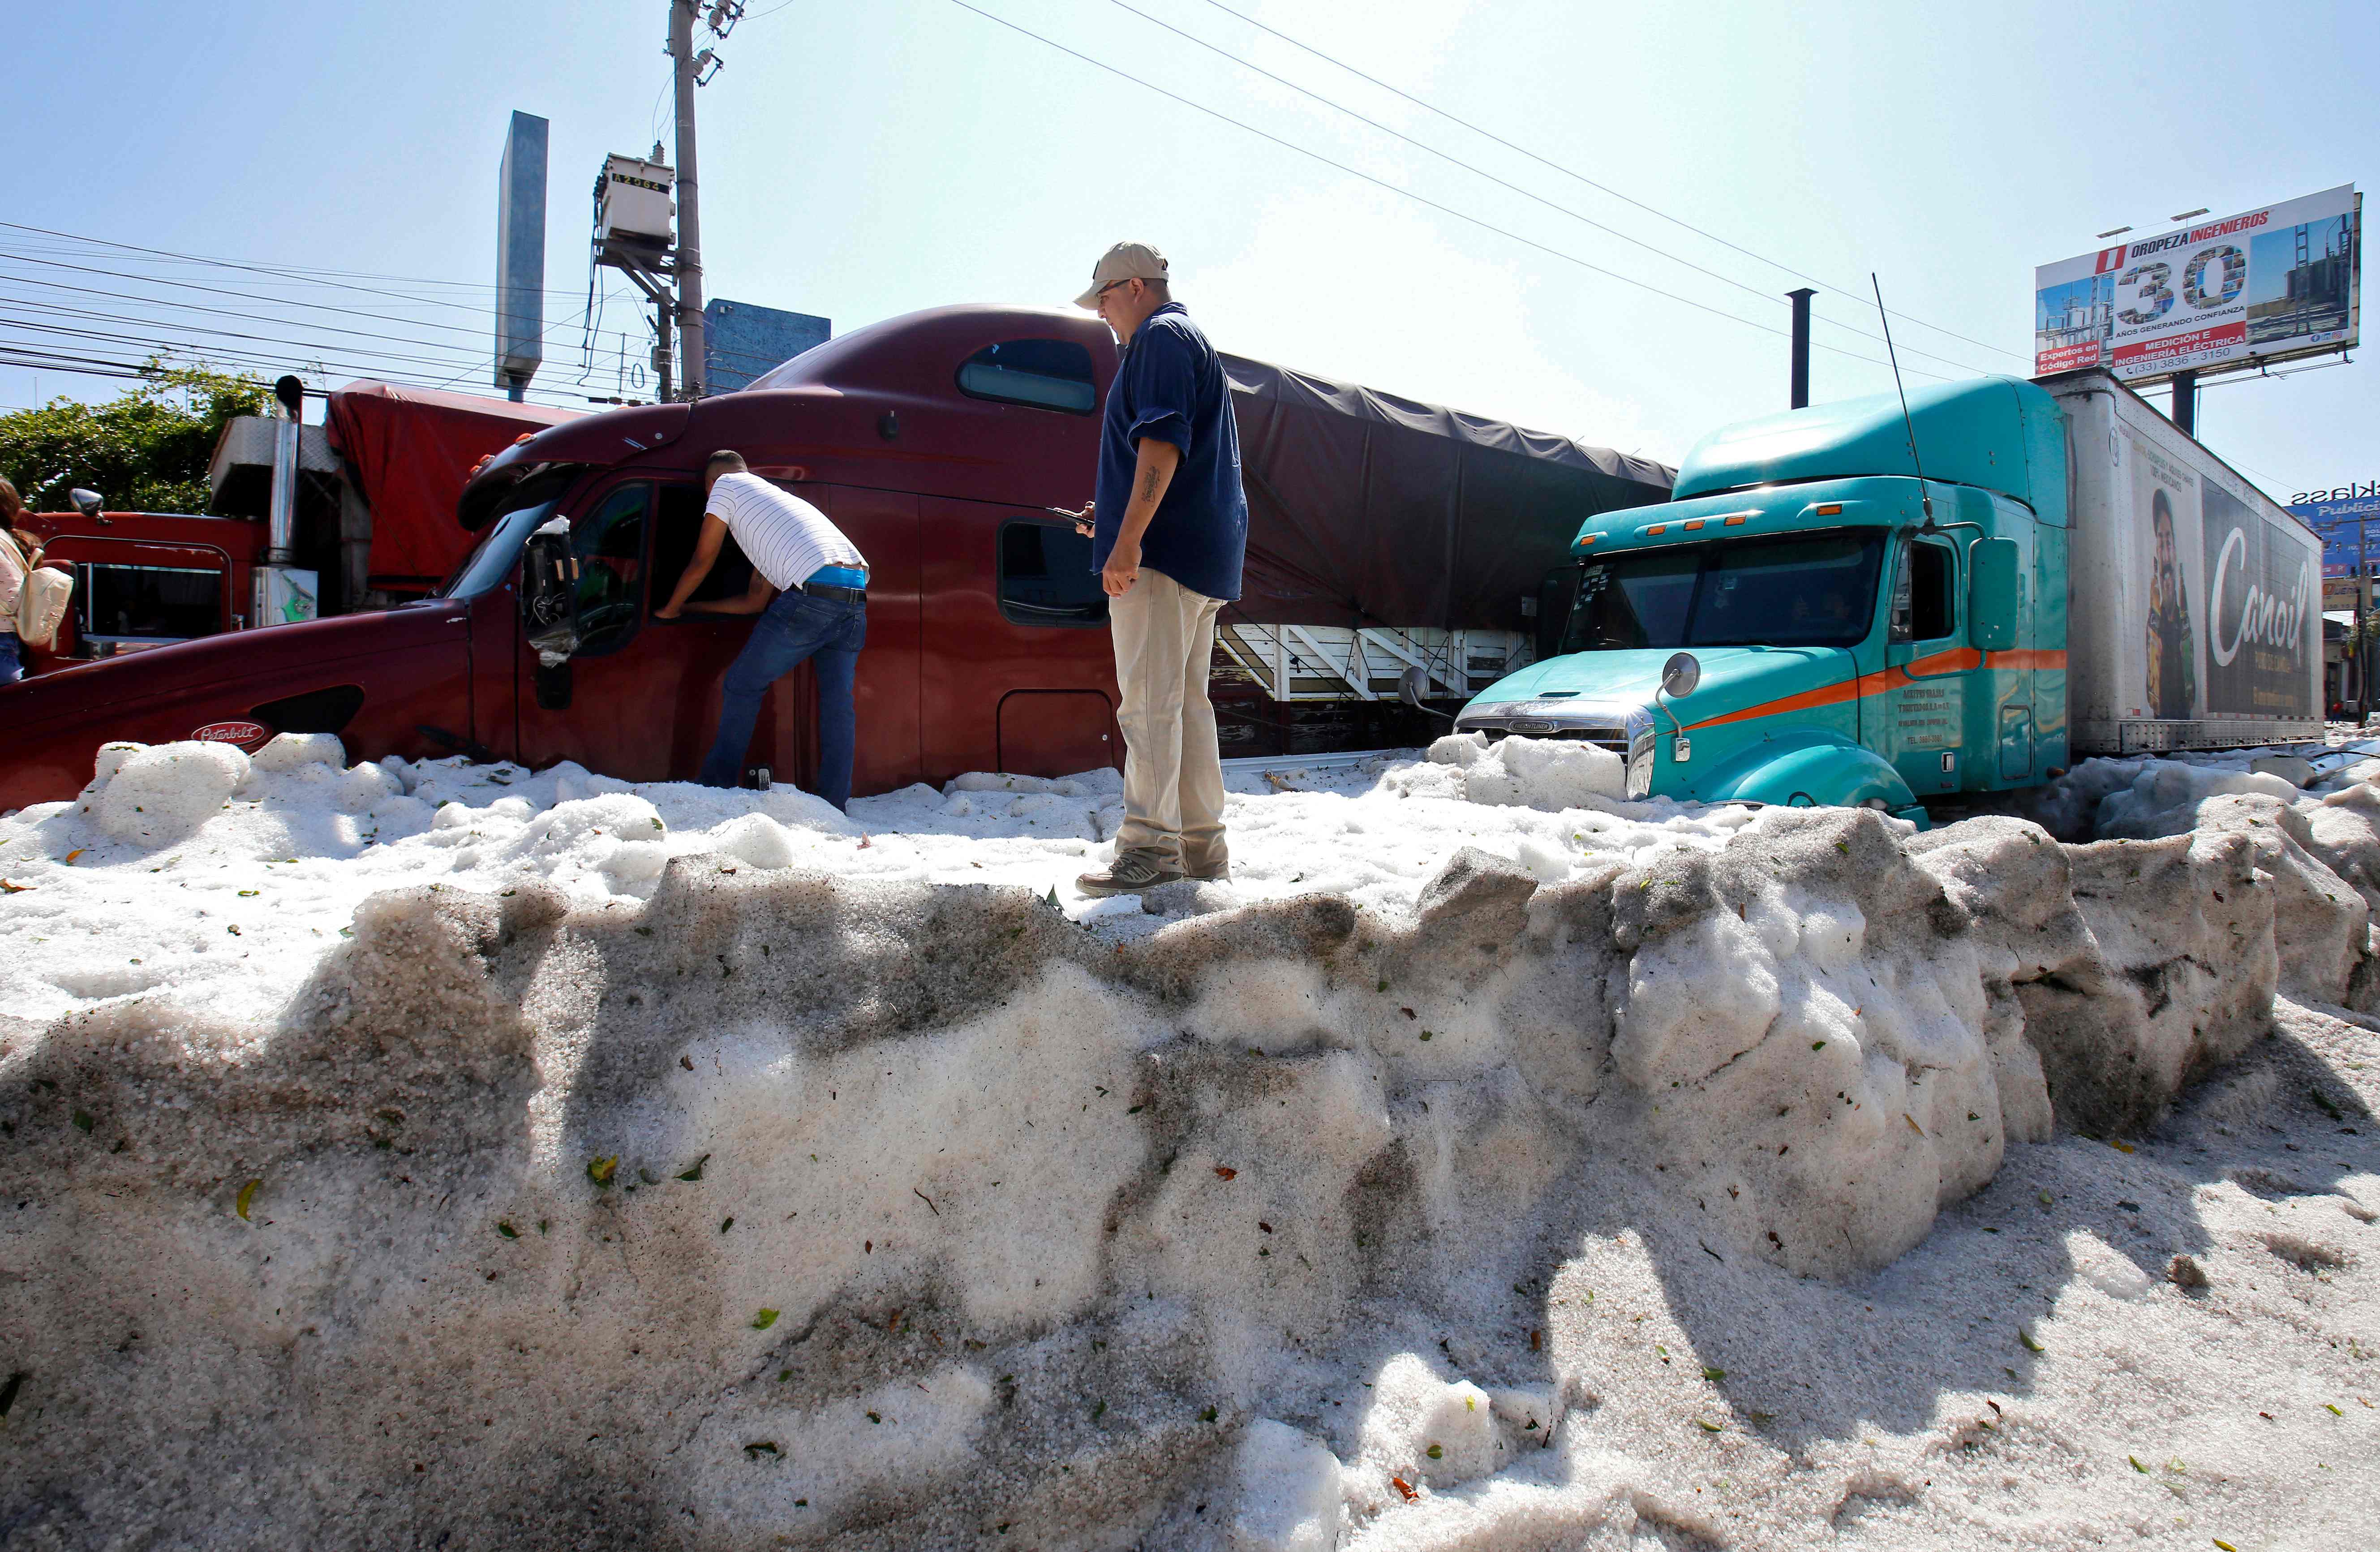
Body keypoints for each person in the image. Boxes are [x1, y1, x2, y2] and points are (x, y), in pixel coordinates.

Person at [1063, 242, 1249, 895]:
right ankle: (1202, 854)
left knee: (1147, 707)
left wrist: (1127, 544)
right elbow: (1174, 457)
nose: (1102, 314)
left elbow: (1163, 442)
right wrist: (1109, 519)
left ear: (1135, 286)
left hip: (1163, 559)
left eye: (1105, 299)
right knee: (1186, 709)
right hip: (1197, 556)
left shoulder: (1160, 339)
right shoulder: (1188, 340)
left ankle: (1146, 851)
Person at [657, 451, 870, 808]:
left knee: (742, 683)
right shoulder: (777, 507)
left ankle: (715, 787)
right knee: (837, 703)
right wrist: (694, 607)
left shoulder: (726, 485)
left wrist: (670, 608)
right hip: (856, 593)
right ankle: (834, 804)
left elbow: (702, 560)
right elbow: (755, 601)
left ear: (711, 484)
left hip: (814, 593)